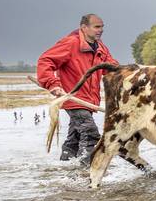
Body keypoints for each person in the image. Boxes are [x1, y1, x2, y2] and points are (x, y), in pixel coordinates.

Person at [37, 14, 119, 163]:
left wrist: (129, 73)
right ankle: (87, 171)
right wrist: (53, 84)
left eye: (102, 27)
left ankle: (66, 167)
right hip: (73, 99)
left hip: (89, 101)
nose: (101, 30)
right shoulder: (70, 43)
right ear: (84, 27)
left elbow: (112, 67)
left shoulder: (101, 47)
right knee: (90, 133)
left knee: (74, 139)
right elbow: (45, 61)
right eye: (97, 27)